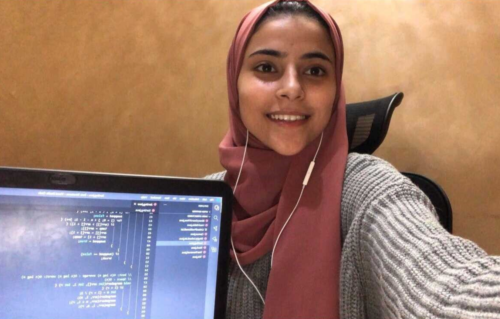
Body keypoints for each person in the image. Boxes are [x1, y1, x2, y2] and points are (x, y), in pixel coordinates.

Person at [205, 1, 500, 318]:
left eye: (315, 71)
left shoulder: (366, 191)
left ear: (336, 90)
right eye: (266, 67)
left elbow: (446, 284)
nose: (292, 89)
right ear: (235, 83)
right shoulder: (201, 200)